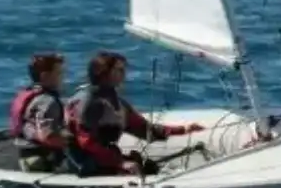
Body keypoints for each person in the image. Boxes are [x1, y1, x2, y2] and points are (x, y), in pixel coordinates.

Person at [64, 52, 205, 177]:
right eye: (119, 70)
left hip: (102, 157)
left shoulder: (117, 103)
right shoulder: (89, 102)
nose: (124, 74)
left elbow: (144, 129)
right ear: (103, 73)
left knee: (148, 167)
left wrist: (183, 130)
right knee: (137, 168)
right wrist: (120, 162)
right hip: (81, 162)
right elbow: (86, 142)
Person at [9, 52, 69, 173]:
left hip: (26, 155)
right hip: (42, 160)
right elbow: (47, 137)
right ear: (45, 76)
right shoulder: (48, 101)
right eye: (59, 73)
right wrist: (73, 142)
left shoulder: (29, 94)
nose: (62, 77)